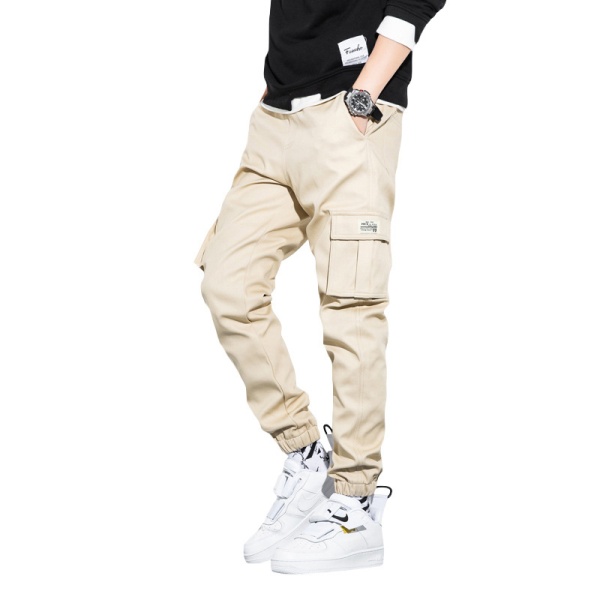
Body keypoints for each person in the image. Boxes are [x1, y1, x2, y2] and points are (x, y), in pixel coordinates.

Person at [194, 0, 446, 574]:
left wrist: (364, 95)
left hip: (349, 110)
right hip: (275, 118)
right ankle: (307, 452)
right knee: (228, 283)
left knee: (351, 307)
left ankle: (356, 502)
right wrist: (275, 88)